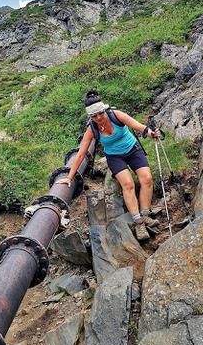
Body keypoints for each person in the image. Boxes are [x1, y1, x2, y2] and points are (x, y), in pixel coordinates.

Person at [57, 90, 161, 241]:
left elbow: (138, 126)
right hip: (114, 156)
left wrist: (151, 133)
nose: (99, 118)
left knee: (147, 179)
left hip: (133, 149)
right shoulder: (92, 129)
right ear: (90, 117)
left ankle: (145, 215)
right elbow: (80, 154)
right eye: (94, 116)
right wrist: (69, 177)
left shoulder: (116, 115)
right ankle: (138, 222)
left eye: (100, 113)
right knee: (128, 184)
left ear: (104, 109)